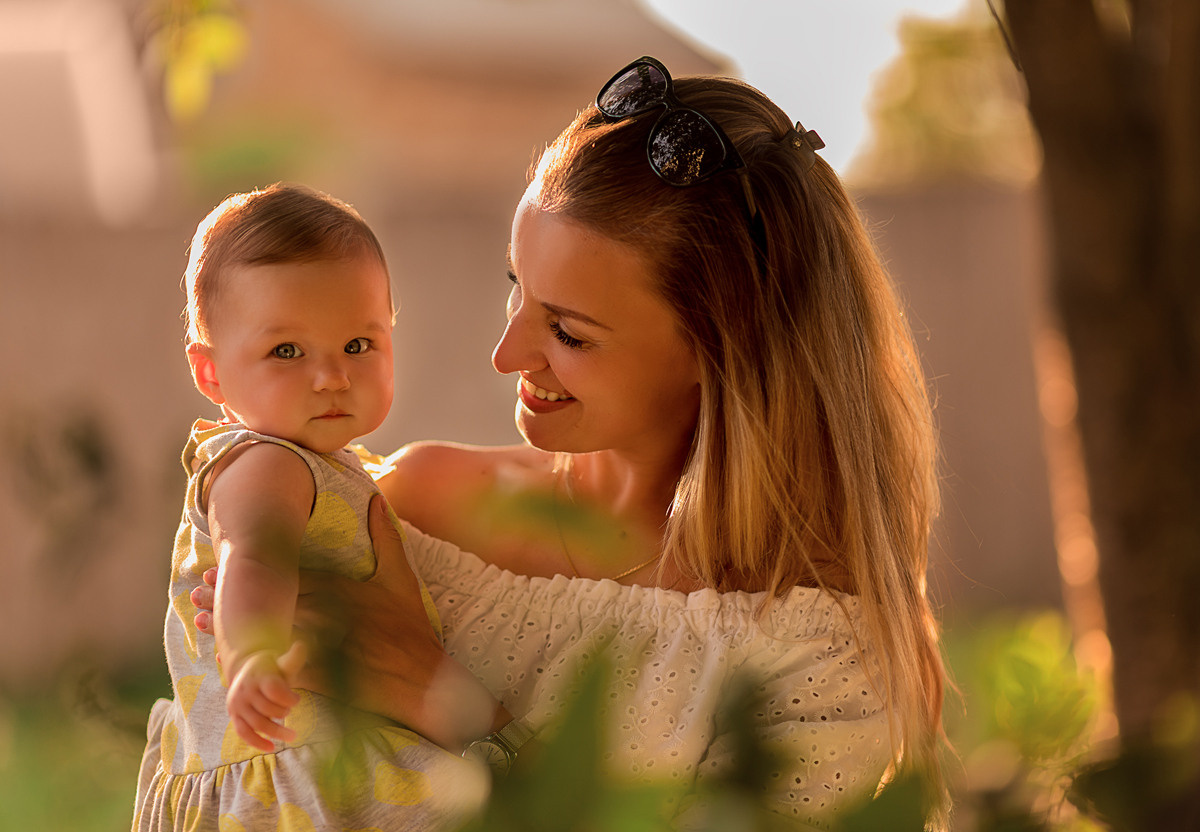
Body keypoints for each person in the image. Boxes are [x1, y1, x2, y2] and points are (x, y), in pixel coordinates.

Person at [192, 56, 948, 830]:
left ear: (723, 346)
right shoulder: (415, 507)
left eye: (568, 331)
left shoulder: (818, 657)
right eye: (515, 284)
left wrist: (447, 704)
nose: (507, 353)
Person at [132, 183, 488, 831]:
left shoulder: (321, 464)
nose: (332, 376)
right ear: (211, 375)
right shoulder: (267, 462)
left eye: (358, 345)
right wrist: (253, 657)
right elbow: (253, 556)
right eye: (287, 352)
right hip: (293, 766)